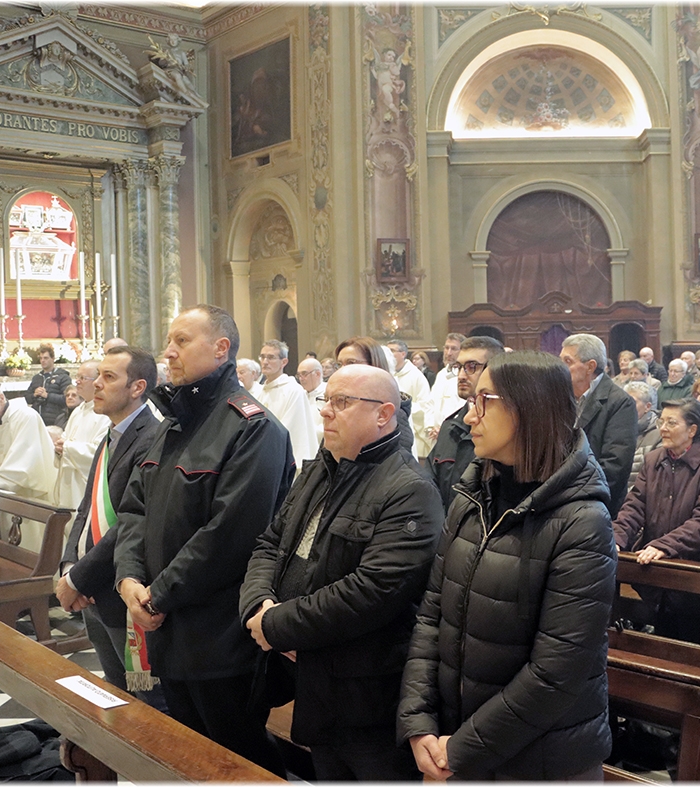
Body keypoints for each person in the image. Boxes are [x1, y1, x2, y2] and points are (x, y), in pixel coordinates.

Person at [398, 351, 617, 781]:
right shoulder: (471, 498)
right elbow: (431, 616)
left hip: (541, 762)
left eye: (484, 401)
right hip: (454, 748)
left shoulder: (582, 522)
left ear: (528, 407)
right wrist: (419, 722)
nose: (469, 416)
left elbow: (556, 673)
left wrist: (459, 749)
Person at [240, 364, 443, 780]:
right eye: (326, 400)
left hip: (368, 695)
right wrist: (259, 605)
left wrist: (278, 625)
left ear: (383, 414)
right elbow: (270, 544)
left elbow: (371, 591)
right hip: (313, 680)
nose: (326, 411)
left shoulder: (410, 489)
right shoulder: (322, 468)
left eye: (342, 402)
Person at [114, 305, 293, 775]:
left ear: (220, 348)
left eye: (182, 340)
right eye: (168, 341)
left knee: (237, 762)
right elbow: (134, 509)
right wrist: (129, 579)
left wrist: (158, 594)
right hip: (167, 628)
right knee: (188, 758)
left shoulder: (254, 428)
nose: (168, 352)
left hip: (221, 637)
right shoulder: (174, 424)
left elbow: (230, 535)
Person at [56, 346, 164, 707]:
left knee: (146, 703)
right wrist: (69, 567)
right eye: (98, 376)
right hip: (93, 591)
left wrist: (78, 579)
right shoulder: (111, 434)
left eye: (108, 377)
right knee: (116, 696)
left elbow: (131, 522)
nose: (97, 384)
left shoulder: (153, 438)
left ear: (137, 387)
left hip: (121, 590)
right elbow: (87, 508)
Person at [613, 398, 700, 640]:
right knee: (661, 638)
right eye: (661, 422)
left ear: (692, 430)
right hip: (656, 572)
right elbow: (635, 505)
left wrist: (664, 546)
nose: (663, 428)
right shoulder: (654, 459)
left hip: (695, 573)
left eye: (671, 423)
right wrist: (616, 538)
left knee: (689, 642)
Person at [561, 333, 638, 516]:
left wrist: (571, 495)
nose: (561, 367)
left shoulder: (620, 402)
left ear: (590, 366)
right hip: (561, 499)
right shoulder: (562, 397)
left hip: (596, 505)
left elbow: (614, 467)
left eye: (568, 361)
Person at [0, 383, 57, 551]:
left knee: (33, 542)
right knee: (14, 542)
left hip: (31, 492)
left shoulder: (25, 416)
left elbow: (25, 459)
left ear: (1, 398)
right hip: (10, 492)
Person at [427, 335, 504, 509]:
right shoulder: (450, 427)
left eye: (471, 367)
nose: (461, 376)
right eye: (459, 367)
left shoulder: (503, 430)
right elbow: (429, 486)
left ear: (493, 370)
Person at [336, 336, 416, 456]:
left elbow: (399, 461)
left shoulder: (394, 411)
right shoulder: (337, 405)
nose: (342, 370)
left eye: (351, 363)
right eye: (339, 364)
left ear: (374, 365)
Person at [53, 361, 111, 510]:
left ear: (97, 382)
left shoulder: (105, 413)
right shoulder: (78, 410)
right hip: (68, 482)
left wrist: (67, 448)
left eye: (82, 378)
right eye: (77, 377)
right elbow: (66, 437)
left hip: (84, 485)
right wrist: (59, 447)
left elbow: (101, 452)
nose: (77, 381)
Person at [257, 340, 320, 471]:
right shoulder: (260, 391)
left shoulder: (293, 390)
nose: (265, 362)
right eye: (262, 357)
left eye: (271, 357)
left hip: (285, 461)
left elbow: (289, 429)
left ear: (284, 362)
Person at [386, 339, 432, 458]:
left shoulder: (416, 376)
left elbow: (425, 405)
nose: (389, 354)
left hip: (413, 430)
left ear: (403, 354)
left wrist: (401, 409)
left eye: (392, 350)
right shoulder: (388, 374)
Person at [422, 333, 466, 447]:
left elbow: (463, 407)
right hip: (436, 434)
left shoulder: (465, 376)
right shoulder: (441, 374)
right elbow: (430, 403)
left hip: (455, 434)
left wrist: (444, 429)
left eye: (454, 349)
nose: (448, 353)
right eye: (446, 348)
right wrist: (431, 427)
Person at [624, 381, 661, 493]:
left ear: (647, 407)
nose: (625, 406)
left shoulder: (660, 434)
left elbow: (655, 478)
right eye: (624, 402)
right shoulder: (616, 428)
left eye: (632, 402)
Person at [26, 342, 72, 426]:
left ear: (53, 358)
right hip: (37, 419)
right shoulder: (37, 378)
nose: (42, 361)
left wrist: (47, 396)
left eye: (46, 358)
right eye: (41, 358)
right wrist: (34, 395)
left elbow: (66, 399)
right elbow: (27, 399)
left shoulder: (63, 377)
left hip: (55, 419)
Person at [296, 356, 326, 445]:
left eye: (304, 374)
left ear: (317, 374)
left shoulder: (328, 393)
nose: (301, 378)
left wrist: (306, 433)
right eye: (299, 375)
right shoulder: (300, 394)